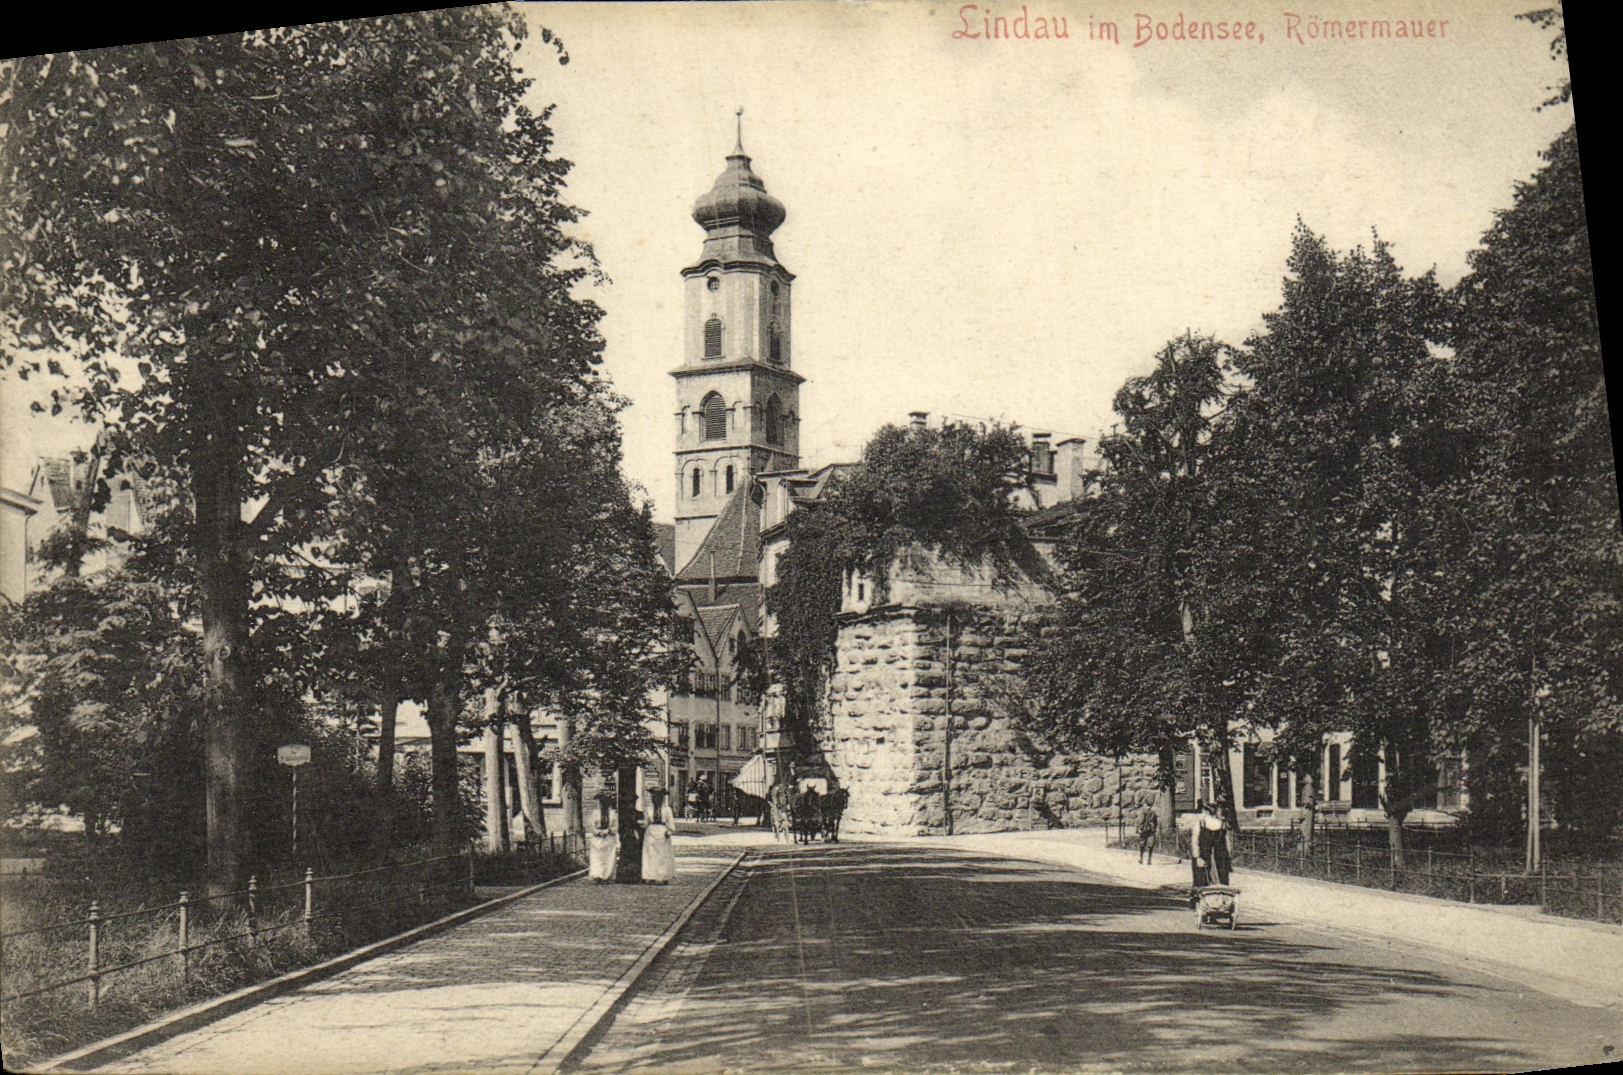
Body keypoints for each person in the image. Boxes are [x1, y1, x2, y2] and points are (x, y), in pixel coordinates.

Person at [642, 787, 676, 884]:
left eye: (658, 797)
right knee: (651, 855)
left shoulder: (667, 810)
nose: (656, 799)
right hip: (651, 833)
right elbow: (646, 823)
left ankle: (662, 876)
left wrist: (669, 831)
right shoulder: (649, 810)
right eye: (654, 797)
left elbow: (671, 823)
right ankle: (651, 876)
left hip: (662, 833)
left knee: (662, 855)